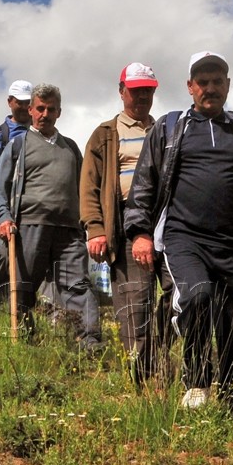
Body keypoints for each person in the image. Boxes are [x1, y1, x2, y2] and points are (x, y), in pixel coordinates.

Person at [125, 52, 233, 417]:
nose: (209, 88)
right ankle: (197, 380)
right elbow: (143, 186)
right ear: (190, 87)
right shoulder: (168, 128)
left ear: (227, 85)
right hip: (185, 239)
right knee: (197, 298)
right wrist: (140, 233)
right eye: (202, 82)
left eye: (217, 81)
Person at [81, 62, 175, 383]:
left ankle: (160, 353)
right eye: (135, 91)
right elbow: (89, 185)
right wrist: (95, 229)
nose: (142, 97)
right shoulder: (105, 134)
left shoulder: (165, 130)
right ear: (121, 91)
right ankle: (143, 375)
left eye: (147, 90)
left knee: (182, 294)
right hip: (122, 223)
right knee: (135, 299)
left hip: (166, 221)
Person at [0, 84, 102, 351]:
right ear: (30, 110)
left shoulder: (71, 148)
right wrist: (3, 217)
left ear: (59, 112)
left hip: (68, 230)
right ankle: (27, 343)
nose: (45, 114)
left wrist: (89, 222)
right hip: (29, 226)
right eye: (40, 108)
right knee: (24, 287)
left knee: (77, 284)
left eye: (51, 109)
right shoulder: (18, 146)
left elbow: (83, 188)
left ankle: (89, 342)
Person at [0, 80, 33, 302]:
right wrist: (9, 179)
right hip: (8, 203)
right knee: (3, 253)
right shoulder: (0, 134)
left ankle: (30, 301)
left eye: (27, 102)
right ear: (10, 102)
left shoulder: (40, 129)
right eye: (19, 102)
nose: (23, 107)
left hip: (35, 200)